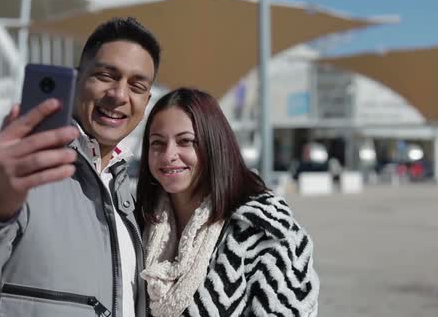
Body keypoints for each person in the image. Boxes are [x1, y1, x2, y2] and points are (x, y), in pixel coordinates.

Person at [0, 17, 161, 317]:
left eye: (136, 85)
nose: (119, 95)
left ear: (146, 101)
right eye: (105, 75)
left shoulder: (125, 196)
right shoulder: (19, 169)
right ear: (76, 80)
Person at [136, 88, 319, 316]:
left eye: (185, 141)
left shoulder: (262, 230)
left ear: (213, 144)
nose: (168, 154)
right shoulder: (137, 222)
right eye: (157, 143)